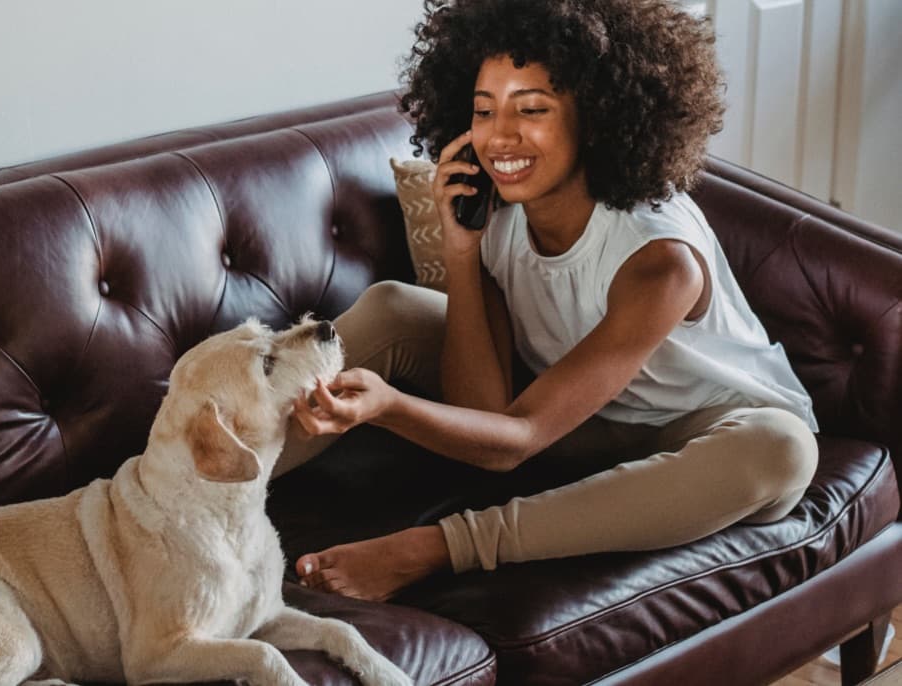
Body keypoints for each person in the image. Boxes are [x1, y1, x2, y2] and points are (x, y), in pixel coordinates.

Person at [273, 0, 819, 602]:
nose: (499, 136)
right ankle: (183, 483)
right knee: (394, 307)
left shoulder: (657, 258)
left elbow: (520, 435)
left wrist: (391, 407)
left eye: (532, 108)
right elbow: (483, 416)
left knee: (783, 449)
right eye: (483, 110)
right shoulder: (501, 211)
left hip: (694, 433)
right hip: (575, 424)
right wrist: (462, 255)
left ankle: (441, 547)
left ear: (599, 115)